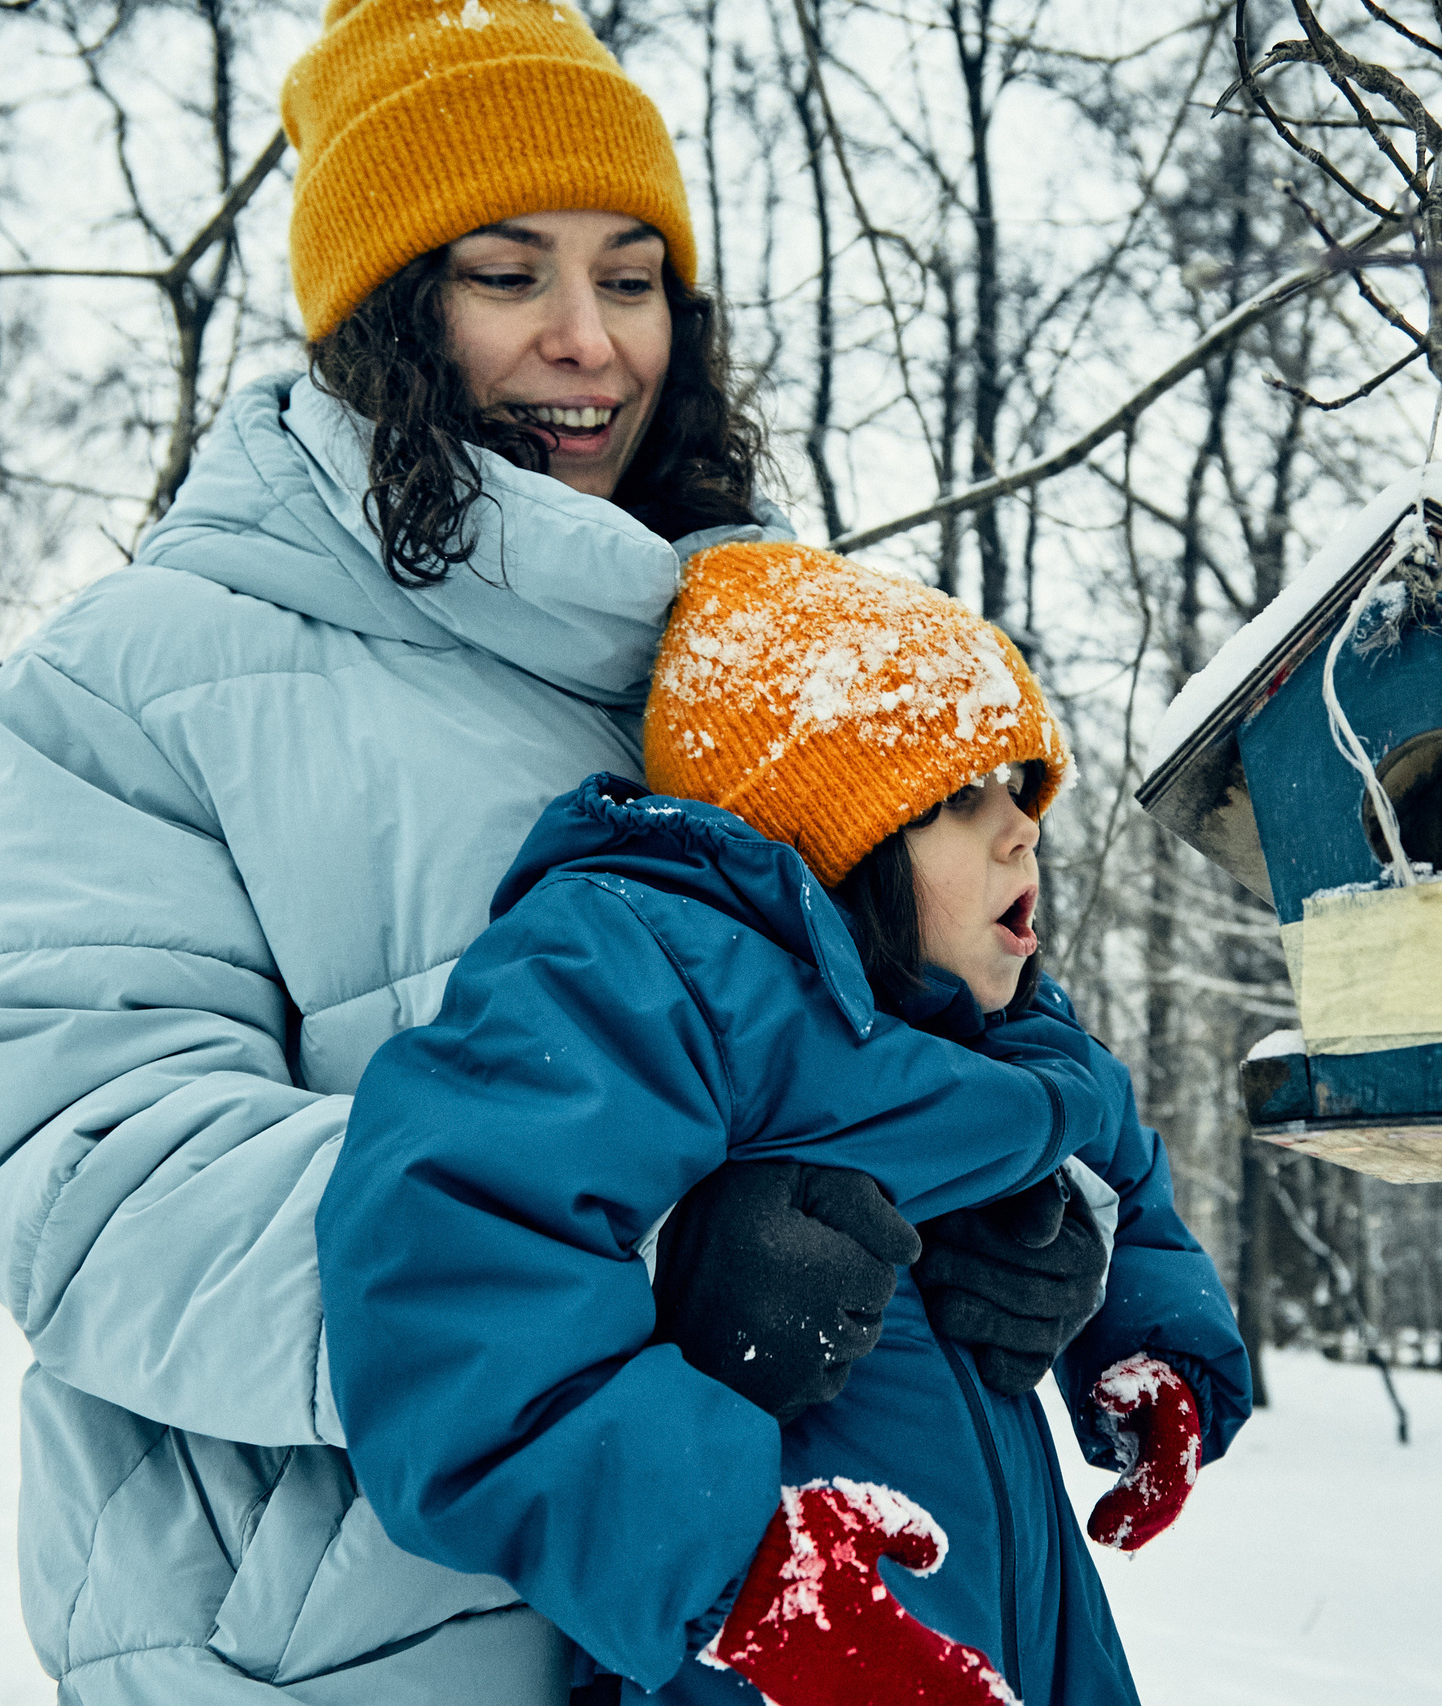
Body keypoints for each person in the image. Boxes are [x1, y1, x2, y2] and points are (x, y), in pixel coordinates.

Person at [0, 3, 1109, 1700]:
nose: (588, 343)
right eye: (505, 274)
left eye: (632, 281)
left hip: (791, 1616)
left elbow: (904, 1029)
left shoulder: (747, 680)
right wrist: (659, 1254)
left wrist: (988, 1194)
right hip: (362, 1638)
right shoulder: (136, 681)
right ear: (386, 314)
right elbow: (95, 1179)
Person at [316, 541, 1256, 1705]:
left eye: (1021, 785)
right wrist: (735, 1565)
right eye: (963, 798)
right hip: (769, 1637)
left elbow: (1124, 1180)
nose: (1023, 829)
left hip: (1028, 1630)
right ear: (834, 834)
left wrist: (1154, 1357)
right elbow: (457, 1276)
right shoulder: (651, 977)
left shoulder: (1020, 1049)